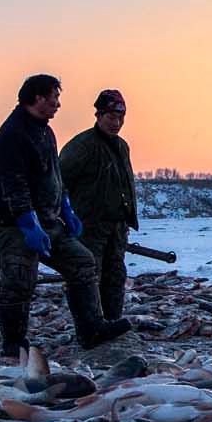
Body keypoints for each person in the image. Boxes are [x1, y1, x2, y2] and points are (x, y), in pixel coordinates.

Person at [0, 74, 131, 357]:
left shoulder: (45, 131)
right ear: (38, 98)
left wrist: (66, 208)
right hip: (17, 223)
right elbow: (14, 186)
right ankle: (13, 344)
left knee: (82, 262)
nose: (58, 104)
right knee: (19, 281)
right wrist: (29, 225)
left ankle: (91, 328)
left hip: (50, 221)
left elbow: (55, 175)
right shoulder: (12, 134)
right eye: (54, 97)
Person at [59, 89, 139, 320]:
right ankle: (91, 325)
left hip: (117, 225)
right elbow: (59, 181)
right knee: (89, 275)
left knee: (115, 275)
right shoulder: (81, 146)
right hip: (90, 225)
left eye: (121, 118)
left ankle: (112, 321)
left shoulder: (122, 146)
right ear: (99, 115)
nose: (117, 123)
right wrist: (64, 213)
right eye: (111, 118)